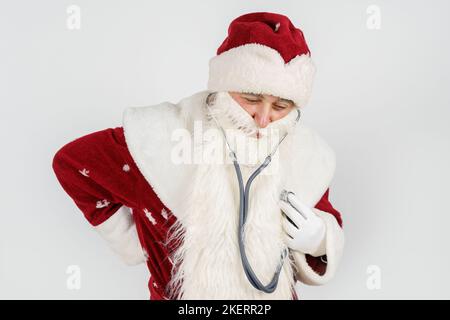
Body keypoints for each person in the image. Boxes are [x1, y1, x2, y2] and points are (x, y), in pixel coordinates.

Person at [52, 12, 345, 300]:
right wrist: (134, 242)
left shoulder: (308, 154)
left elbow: (323, 220)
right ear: (225, 86)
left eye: (280, 106)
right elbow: (73, 165)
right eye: (252, 100)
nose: (264, 119)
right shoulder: (158, 137)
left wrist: (320, 239)